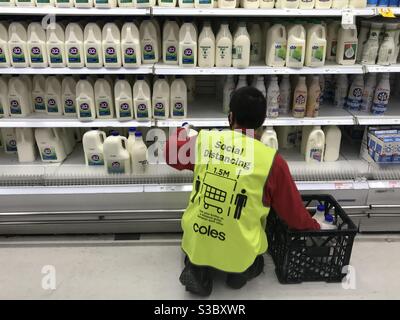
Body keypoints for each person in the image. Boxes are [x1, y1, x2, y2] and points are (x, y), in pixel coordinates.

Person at [165, 86, 320, 297]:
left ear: (231, 116)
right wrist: (314, 226)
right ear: (261, 122)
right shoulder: (271, 161)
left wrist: (183, 131)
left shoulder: (206, 141)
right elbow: (292, 214)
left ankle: (197, 268)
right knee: (253, 257)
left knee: (196, 245)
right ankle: (241, 272)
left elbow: (169, 153)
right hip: (240, 245)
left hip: (198, 237)